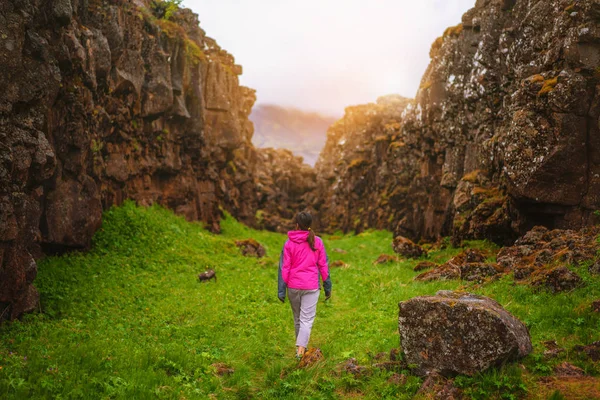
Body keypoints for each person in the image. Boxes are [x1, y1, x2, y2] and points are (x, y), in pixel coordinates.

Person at [278, 211, 331, 360]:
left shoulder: (289, 243)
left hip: (293, 286)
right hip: (311, 286)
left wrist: (281, 290)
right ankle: (301, 350)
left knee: (298, 319)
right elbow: (323, 265)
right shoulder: (317, 241)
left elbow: (284, 268)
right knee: (306, 320)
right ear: (309, 225)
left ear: (296, 225)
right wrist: (328, 287)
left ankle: (300, 349)